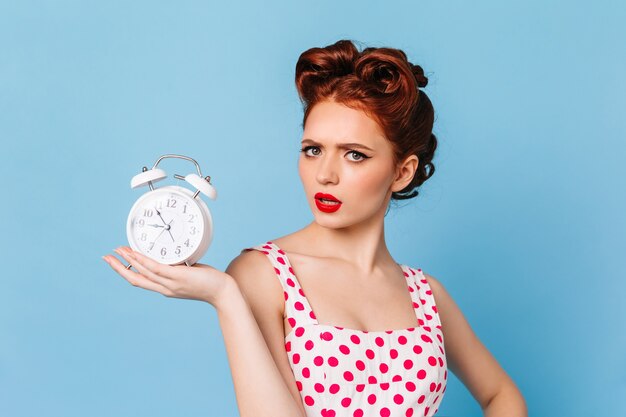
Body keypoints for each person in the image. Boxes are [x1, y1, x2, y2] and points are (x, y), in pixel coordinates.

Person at [103, 39, 528, 417]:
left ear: (402, 172)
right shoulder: (263, 275)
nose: (325, 174)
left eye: (354, 155)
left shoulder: (426, 296)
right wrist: (224, 296)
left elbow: (501, 395)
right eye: (312, 150)